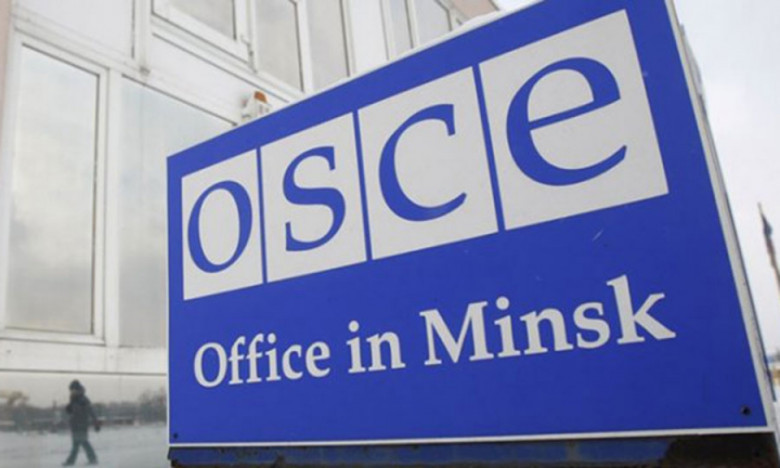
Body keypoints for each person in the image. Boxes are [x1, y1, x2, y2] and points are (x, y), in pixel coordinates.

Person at [62, 380, 100, 466]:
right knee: (78, 443)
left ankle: (91, 459)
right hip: (75, 426)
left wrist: (96, 423)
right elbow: (73, 412)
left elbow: (91, 411)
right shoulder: (73, 400)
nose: (72, 392)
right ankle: (90, 459)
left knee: (82, 442)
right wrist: (69, 410)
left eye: (73, 390)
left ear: (77, 389)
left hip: (81, 425)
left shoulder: (83, 400)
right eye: (71, 390)